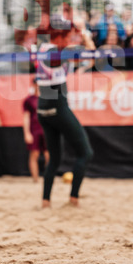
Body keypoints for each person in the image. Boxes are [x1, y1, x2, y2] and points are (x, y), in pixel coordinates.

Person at [36, 17, 95, 209]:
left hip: (42, 109)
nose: (70, 40)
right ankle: (73, 199)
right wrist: (84, 33)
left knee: (54, 158)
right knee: (85, 153)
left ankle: (46, 201)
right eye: (67, 36)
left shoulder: (43, 48)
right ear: (59, 36)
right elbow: (91, 53)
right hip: (58, 108)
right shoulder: (56, 52)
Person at [21, 84, 49, 182]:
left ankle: (48, 177)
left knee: (48, 155)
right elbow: (26, 117)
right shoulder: (29, 100)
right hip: (34, 130)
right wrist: (27, 133)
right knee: (34, 154)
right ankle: (35, 179)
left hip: (47, 130)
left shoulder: (48, 98)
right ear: (33, 85)